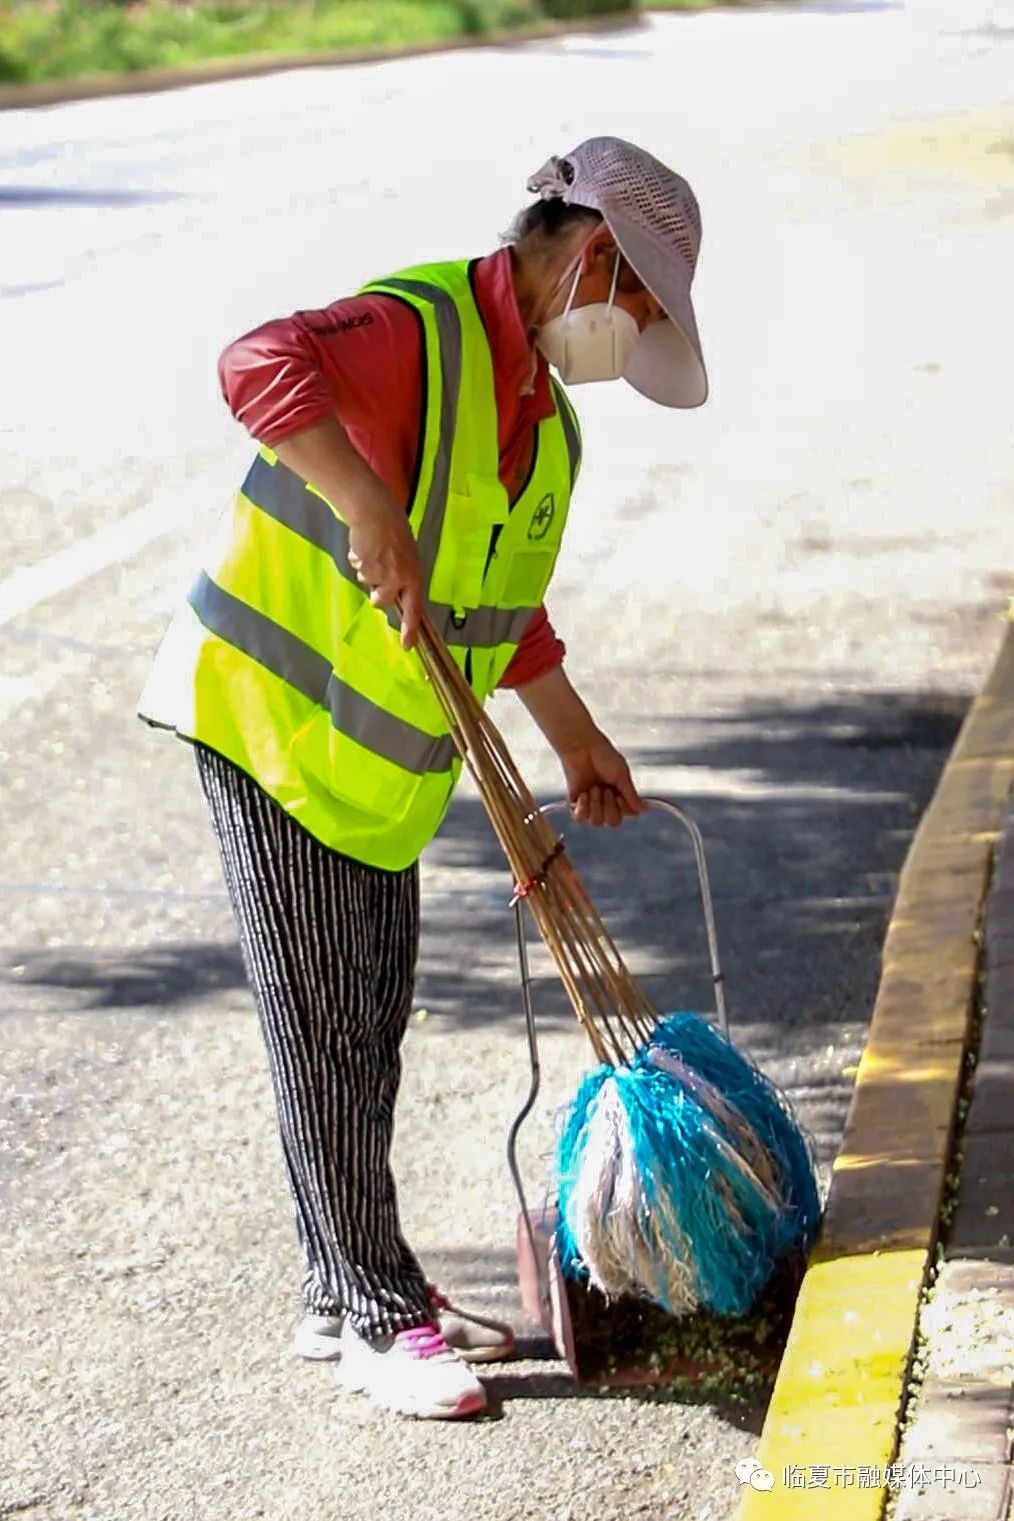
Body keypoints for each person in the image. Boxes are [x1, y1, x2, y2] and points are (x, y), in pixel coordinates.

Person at [138, 136, 707, 1422]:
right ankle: (373, 1316)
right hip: (270, 716)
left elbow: (511, 614)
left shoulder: (545, 427)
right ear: (597, 257)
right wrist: (360, 499)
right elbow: (255, 362)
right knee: (325, 1025)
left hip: (379, 769)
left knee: (369, 1014)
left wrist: (569, 745)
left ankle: (348, 1281)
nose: (630, 339)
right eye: (639, 307)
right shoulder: (425, 329)